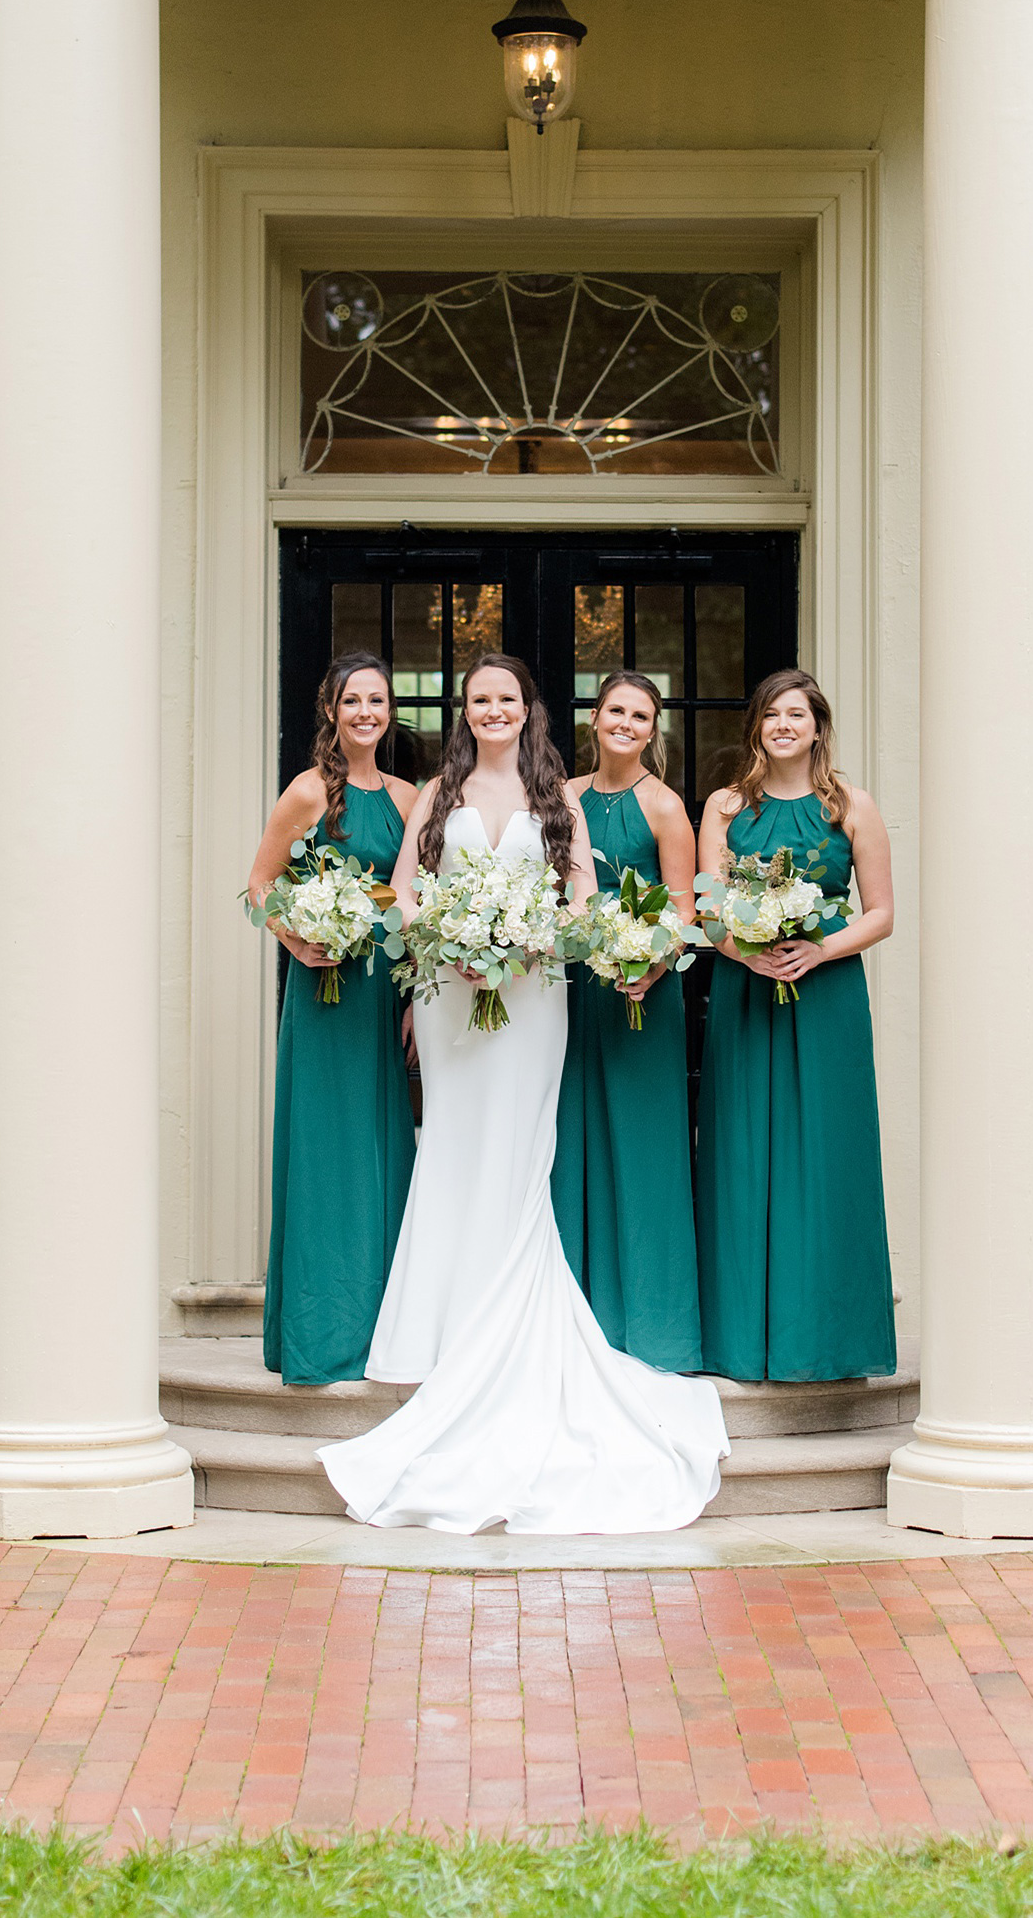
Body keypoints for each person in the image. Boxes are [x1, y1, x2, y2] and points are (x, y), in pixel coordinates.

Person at [321, 652, 728, 1533]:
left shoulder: (560, 800)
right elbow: (401, 893)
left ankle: (511, 1332)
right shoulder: (435, 793)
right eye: (480, 699)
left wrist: (539, 936)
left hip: (537, 993)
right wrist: (449, 943)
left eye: (508, 698)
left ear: (527, 709)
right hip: (452, 992)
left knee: (518, 1153)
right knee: (456, 1148)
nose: (494, 709)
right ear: (465, 712)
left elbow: (582, 895)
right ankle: (438, 1332)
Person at [695, 669, 897, 1383]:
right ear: (756, 727)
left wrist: (819, 948)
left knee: (823, 1155)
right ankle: (741, 1340)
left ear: (818, 727)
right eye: (771, 714)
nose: (784, 725)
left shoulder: (851, 806)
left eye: (797, 715)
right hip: (747, 992)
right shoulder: (725, 807)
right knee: (743, 1150)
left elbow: (880, 914)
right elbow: (709, 908)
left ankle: (826, 1340)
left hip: (827, 996)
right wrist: (746, 952)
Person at [248, 654, 419, 1386]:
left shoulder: (413, 799)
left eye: (377, 701)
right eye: (353, 700)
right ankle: (322, 1335)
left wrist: (413, 996)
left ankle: (386, 1325)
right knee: (326, 1156)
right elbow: (258, 887)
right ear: (331, 710)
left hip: (383, 993)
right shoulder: (308, 792)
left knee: (386, 1150)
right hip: (323, 998)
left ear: (389, 713)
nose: (365, 713)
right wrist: (295, 936)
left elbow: (417, 904)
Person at [552, 670, 703, 1371]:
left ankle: (652, 1327)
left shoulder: (666, 806)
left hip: (645, 991)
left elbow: (684, 912)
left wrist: (651, 964)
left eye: (640, 716)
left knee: (644, 1148)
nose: (626, 723)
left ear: (653, 729)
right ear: (595, 716)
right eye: (617, 710)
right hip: (576, 990)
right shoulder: (564, 798)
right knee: (569, 1139)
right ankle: (572, 1318)